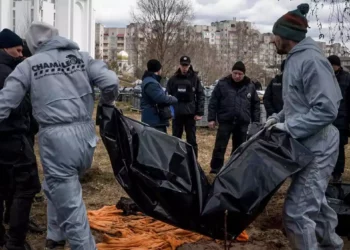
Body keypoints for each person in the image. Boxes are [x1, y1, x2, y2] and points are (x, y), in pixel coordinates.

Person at [0, 22, 119, 249]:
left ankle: (83, 246)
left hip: (56, 139)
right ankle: (55, 236)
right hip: (85, 137)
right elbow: (111, 82)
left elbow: (5, 102)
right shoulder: (81, 58)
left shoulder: (29, 65)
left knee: (71, 204)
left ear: (32, 43)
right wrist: (107, 103)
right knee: (56, 185)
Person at [265, 3, 343, 249]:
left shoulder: (311, 61)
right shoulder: (294, 60)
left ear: (286, 36)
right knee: (315, 203)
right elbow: (299, 104)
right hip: (305, 144)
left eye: (274, 36)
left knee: (297, 214)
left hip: (319, 146)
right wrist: (278, 118)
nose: (273, 41)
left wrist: (288, 128)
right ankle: (331, 245)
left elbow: (327, 110)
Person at [0, 28, 41, 250]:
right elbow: (18, 106)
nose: (21, 54)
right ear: (6, 48)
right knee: (26, 187)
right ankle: (15, 242)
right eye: (17, 50)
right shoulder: (8, 73)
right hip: (11, 137)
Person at [208, 61, 260, 174]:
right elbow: (213, 102)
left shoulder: (250, 86)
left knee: (239, 147)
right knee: (220, 146)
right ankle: (215, 169)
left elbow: (255, 105)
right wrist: (211, 118)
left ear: (244, 74)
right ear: (231, 72)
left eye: (240, 74)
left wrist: (256, 122)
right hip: (226, 120)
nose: (237, 76)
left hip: (242, 122)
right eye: (235, 73)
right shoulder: (222, 84)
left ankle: (234, 170)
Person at [166, 56, 204, 157]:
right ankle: (174, 162)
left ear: (189, 65)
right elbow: (167, 95)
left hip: (190, 114)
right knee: (175, 138)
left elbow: (200, 95)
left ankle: (193, 162)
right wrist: (169, 111)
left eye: (186, 65)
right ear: (179, 65)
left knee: (191, 139)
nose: (184, 68)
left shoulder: (195, 79)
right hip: (177, 113)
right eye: (183, 65)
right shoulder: (173, 79)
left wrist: (199, 112)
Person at [328, 55, 350, 183]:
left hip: (341, 119)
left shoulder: (346, 78)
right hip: (326, 119)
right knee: (326, 147)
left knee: (339, 147)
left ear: (337, 65)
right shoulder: (325, 77)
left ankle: (337, 174)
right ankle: (328, 171)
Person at [141, 59, 177, 133]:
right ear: (158, 70)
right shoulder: (151, 83)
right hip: (153, 120)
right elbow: (161, 98)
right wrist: (172, 98)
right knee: (157, 142)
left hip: (154, 119)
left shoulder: (150, 81)